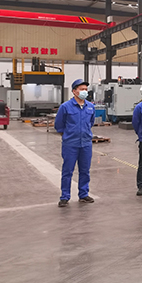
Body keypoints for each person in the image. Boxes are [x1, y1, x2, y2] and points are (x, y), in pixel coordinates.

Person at [54, 79, 96, 207]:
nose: (84, 92)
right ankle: (65, 196)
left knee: (85, 170)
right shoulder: (65, 107)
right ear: (74, 91)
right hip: (70, 144)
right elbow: (59, 125)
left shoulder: (90, 106)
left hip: (86, 143)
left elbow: (91, 122)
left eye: (86, 89)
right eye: (81, 89)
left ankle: (83, 194)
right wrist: (68, 135)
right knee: (67, 171)